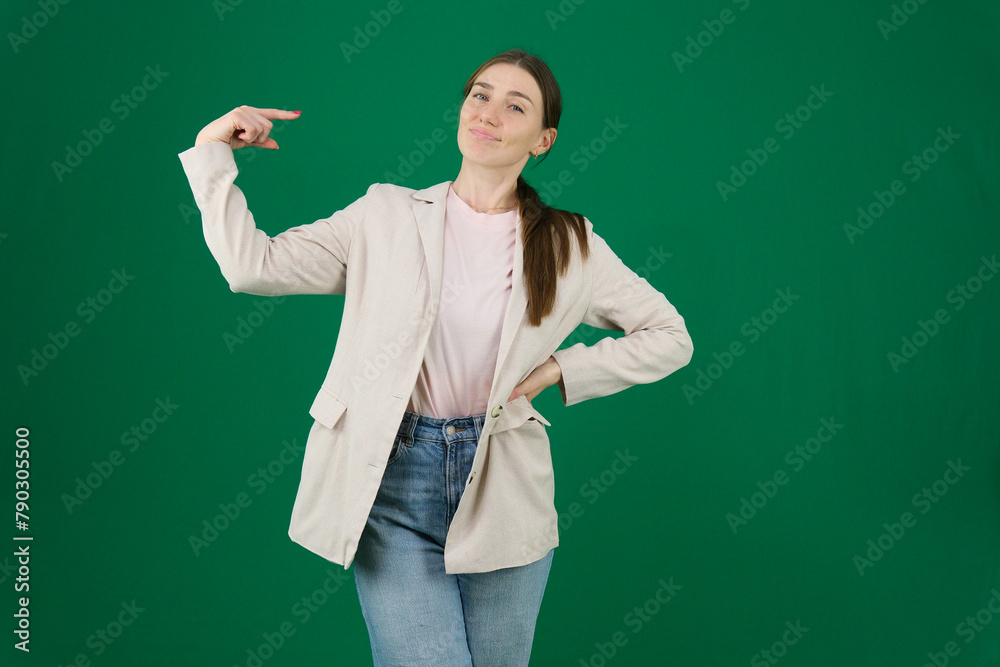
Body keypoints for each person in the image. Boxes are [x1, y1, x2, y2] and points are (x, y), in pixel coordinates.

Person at [178, 48, 693, 666]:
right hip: (392, 482)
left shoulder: (569, 243)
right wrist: (213, 154)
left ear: (543, 139)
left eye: (515, 105)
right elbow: (251, 266)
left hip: (503, 486)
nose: (489, 113)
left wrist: (563, 369)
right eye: (480, 94)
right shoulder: (385, 214)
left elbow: (670, 335)